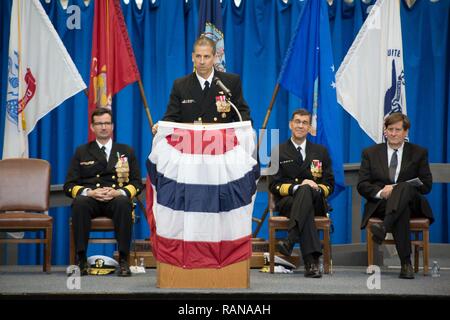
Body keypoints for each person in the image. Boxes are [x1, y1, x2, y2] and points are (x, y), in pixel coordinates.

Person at [64, 108, 143, 277]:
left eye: (107, 123)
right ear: (92, 127)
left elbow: (137, 183)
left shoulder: (126, 151)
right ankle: (81, 260)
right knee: (79, 202)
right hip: (91, 201)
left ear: (112, 126)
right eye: (99, 124)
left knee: (124, 202)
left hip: (115, 200)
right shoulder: (82, 151)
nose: (103, 127)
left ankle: (123, 259)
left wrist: (119, 192)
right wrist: (89, 192)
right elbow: (69, 185)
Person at [357, 112, 433, 279]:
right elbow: (362, 185)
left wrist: (398, 188)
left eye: (397, 130)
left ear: (406, 132)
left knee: (404, 188)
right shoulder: (370, 153)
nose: (393, 133)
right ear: (385, 131)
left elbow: (426, 185)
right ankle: (406, 264)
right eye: (390, 129)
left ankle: (384, 228)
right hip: (382, 204)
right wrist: (381, 192)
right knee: (401, 209)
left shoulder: (418, 153)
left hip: (413, 203)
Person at [269, 109, 334, 278]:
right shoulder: (279, 151)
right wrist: (298, 188)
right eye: (297, 121)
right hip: (288, 202)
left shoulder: (321, 151)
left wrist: (315, 188)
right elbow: (273, 185)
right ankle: (311, 263)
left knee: (307, 190)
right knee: (305, 202)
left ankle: (291, 238)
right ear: (291, 125)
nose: (300, 125)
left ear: (310, 128)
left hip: (316, 200)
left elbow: (329, 184)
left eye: (305, 123)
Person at [153, 35, 250, 133]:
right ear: (192, 57)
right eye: (198, 56)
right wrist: (162, 127)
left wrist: (245, 128)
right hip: (190, 145)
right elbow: (171, 118)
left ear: (215, 57)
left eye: (206, 56)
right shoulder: (180, 85)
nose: (202, 61)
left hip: (222, 145)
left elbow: (242, 115)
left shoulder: (230, 82)